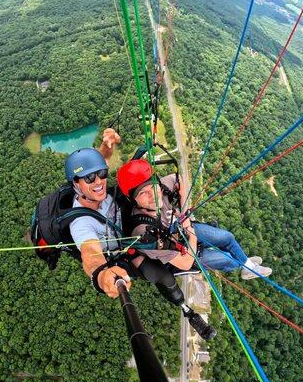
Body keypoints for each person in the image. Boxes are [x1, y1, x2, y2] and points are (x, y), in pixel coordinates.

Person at [64, 131, 216, 340]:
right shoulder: (82, 224)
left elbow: (98, 165)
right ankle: (185, 307)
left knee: (148, 194)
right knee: (162, 275)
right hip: (123, 254)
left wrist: (107, 146)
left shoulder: (97, 189)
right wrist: (100, 275)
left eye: (101, 173)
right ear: (76, 184)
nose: (98, 181)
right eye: (89, 177)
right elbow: (90, 254)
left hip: (127, 219)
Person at [116, 159, 273, 280]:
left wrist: (185, 212)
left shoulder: (164, 186)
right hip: (182, 254)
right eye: (143, 193)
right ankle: (241, 264)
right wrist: (191, 234)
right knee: (229, 260)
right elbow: (184, 263)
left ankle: (246, 264)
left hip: (182, 228)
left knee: (227, 237)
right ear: (133, 200)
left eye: (153, 186)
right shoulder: (143, 232)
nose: (153, 196)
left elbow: (179, 181)